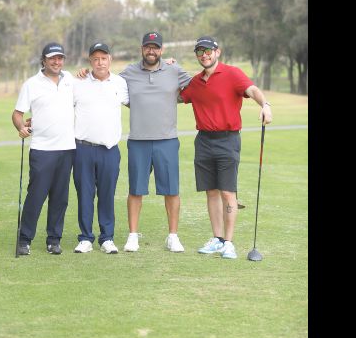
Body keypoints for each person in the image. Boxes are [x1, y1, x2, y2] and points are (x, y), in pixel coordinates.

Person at [179, 36, 273, 259]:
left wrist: (265, 105)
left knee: (228, 192)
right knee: (211, 192)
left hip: (228, 140)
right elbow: (174, 96)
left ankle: (229, 243)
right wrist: (168, 69)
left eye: (208, 51)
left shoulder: (232, 74)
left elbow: (252, 90)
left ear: (217, 52)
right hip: (203, 140)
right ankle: (217, 239)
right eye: (200, 52)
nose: (204, 55)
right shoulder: (195, 82)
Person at [119, 31, 192, 253]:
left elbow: (197, 86)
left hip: (167, 141)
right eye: (148, 46)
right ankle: (132, 236)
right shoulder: (128, 73)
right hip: (138, 141)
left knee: (171, 190)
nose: (152, 51)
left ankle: (173, 236)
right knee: (135, 190)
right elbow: (107, 85)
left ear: (162, 50)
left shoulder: (174, 70)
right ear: (142, 48)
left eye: (156, 47)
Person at [11, 42, 76, 255]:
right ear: (44, 60)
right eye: (52, 58)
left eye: (60, 58)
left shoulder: (71, 80)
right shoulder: (32, 84)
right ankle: (24, 239)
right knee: (36, 195)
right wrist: (21, 127)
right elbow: (18, 114)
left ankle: (54, 240)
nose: (57, 62)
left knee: (60, 197)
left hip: (67, 149)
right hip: (41, 149)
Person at [71, 42, 129, 254]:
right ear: (90, 61)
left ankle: (107, 238)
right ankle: (85, 237)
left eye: (103, 58)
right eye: (95, 59)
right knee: (85, 195)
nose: (100, 62)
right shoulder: (78, 82)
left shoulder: (120, 83)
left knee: (107, 195)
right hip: (83, 149)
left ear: (110, 60)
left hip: (109, 149)